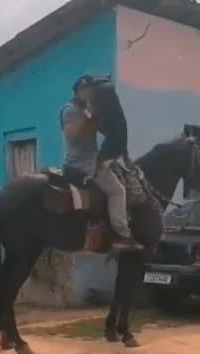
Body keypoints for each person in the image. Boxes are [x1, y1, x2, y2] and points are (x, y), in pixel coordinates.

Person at [60, 74, 137, 249]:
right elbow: (73, 134)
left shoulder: (85, 110)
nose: (90, 94)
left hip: (90, 159)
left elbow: (103, 130)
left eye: (91, 90)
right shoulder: (70, 110)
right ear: (80, 91)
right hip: (83, 163)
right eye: (88, 90)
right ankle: (122, 234)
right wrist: (91, 118)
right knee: (118, 190)